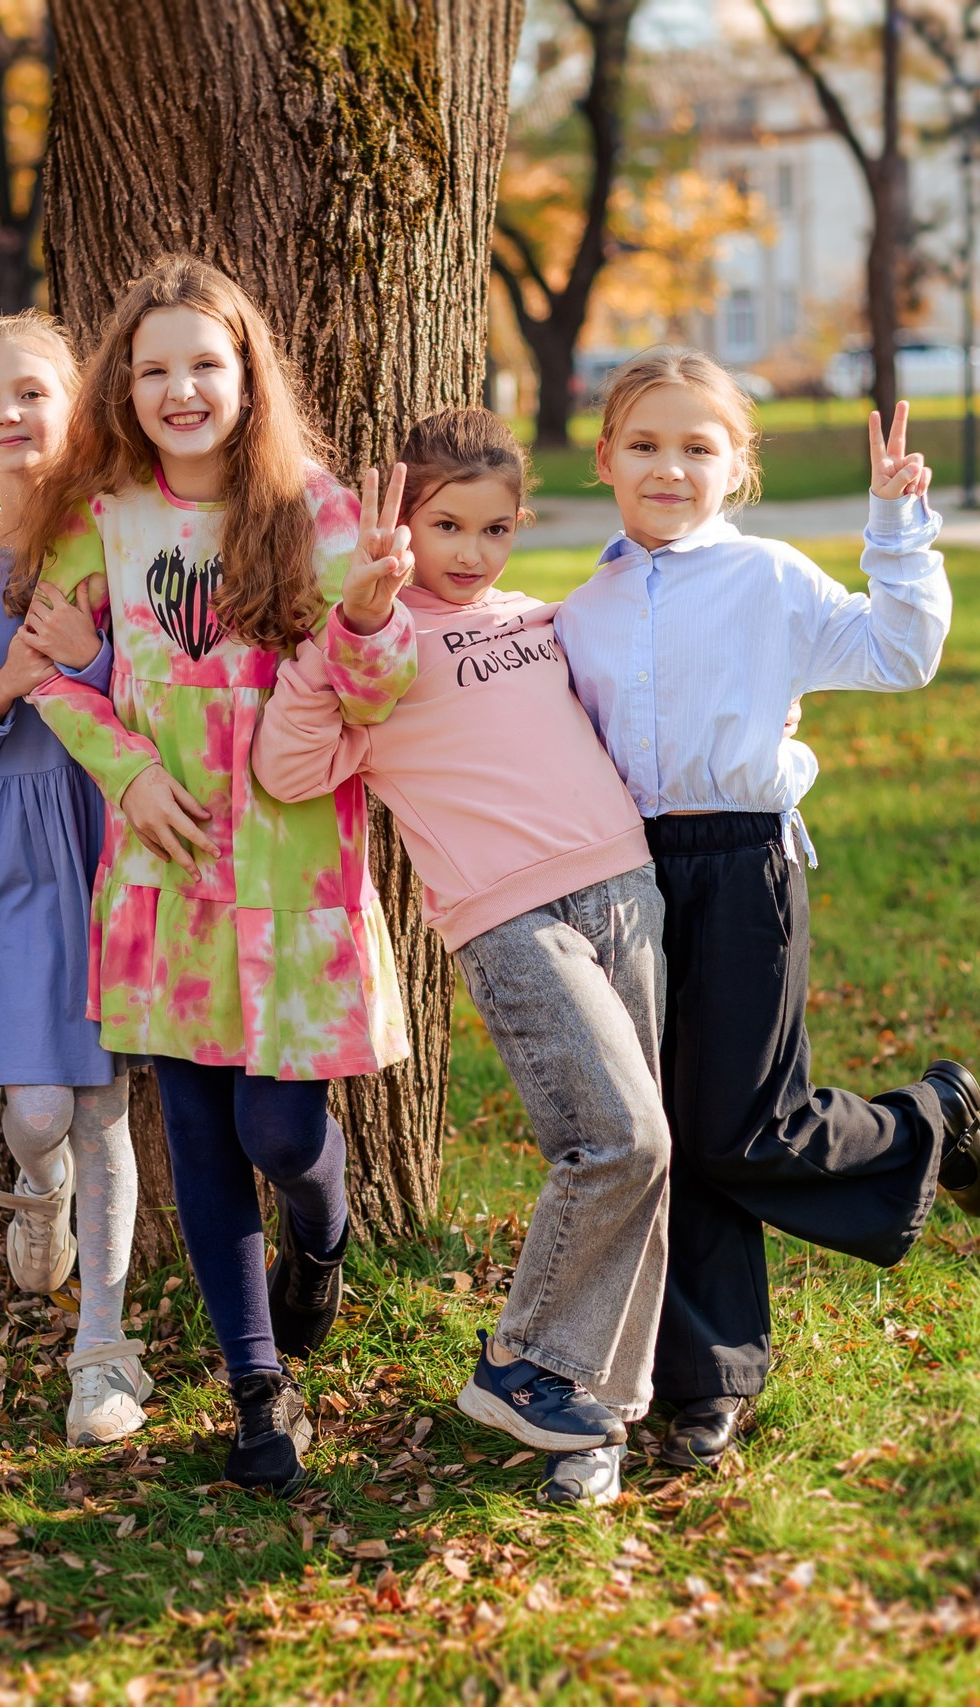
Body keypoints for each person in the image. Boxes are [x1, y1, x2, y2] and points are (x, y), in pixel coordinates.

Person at [554, 348, 980, 1473]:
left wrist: (896, 528)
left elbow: (898, 654)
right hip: (628, 881)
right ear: (605, 458)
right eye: (645, 444)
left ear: (738, 466)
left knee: (745, 1124)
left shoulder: (767, 578)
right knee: (669, 1135)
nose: (669, 467)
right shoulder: (579, 611)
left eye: (697, 447)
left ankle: (927, 1120)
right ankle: (708, 1380)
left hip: (742, 867)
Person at [0, 255, 416, 1494]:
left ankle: (321, 1234)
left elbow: (375, 694)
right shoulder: (100, 519)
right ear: (122, 390)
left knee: (278, 1131)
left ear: (247, 377)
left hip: (291, 871)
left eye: (205, 365)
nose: (181, 390)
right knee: (195, 1131)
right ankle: (256, 1388)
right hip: (164, 869)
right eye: (154, 370)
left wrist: (371, 614)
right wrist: (125, 771)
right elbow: (49, 674)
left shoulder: (318, 515)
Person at [254, 408, 668, 1509]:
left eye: (495, 528)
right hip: (508, 915)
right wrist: (354, 619)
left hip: (624, 887)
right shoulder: (374, 650)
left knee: (649, 1156)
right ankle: (518, 1361)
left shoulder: (538, 617)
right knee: (617, 1138)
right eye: (447, 526)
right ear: (399, 522)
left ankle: (593, 1419)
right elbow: (287, 766)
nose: (472, 552)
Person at [0, 312, 154, 1447]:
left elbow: (156, 687)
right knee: (41, 1109)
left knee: (103, 1104)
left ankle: (102, 1350)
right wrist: (9, 682)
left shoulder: (120, 537)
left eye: (32, 392)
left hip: (109, 823)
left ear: (74, 405)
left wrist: (86, 659)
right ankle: (39, 1190)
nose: (11, 415)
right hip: (12, 841)